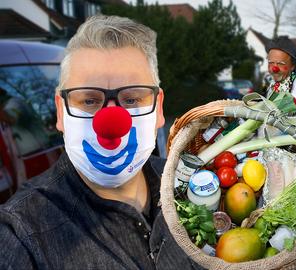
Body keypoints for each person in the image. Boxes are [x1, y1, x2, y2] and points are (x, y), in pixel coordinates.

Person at [0, 15, 202, 269]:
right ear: (61, 112)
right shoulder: (21, 235)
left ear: (158, 108)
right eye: (89, 101)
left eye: (131, 100)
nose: (111, 122)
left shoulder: (192, 185)